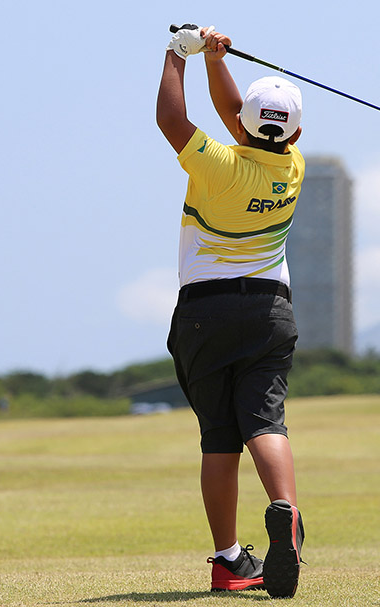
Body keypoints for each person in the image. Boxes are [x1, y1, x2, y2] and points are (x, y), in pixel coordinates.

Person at [156, 24, 306, 598]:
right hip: (269, 311)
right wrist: (217, 61)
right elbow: (240, 120)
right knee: (265, 421)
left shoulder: (217, 165)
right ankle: (285, 510)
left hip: (203, 314)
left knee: (219, 436)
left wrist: (179, 55)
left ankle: (228, 560)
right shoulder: (291, 168)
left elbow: (175, 122)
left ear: (244, 126)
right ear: (295, 132)